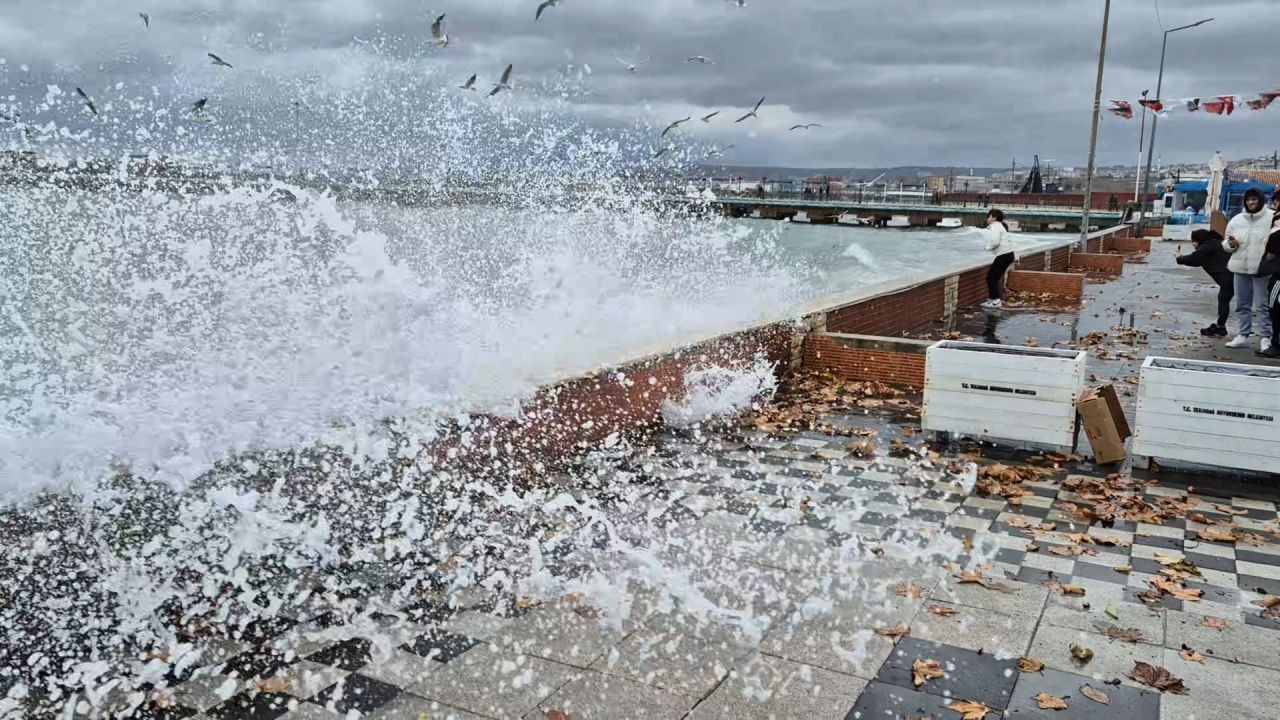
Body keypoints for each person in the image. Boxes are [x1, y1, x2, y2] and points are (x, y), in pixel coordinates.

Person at [1224, 188, 1275, 351]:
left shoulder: (1272, 218)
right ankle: (1243, 335)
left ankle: (1266, 337)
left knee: (1262, 305)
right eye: (1248, 200)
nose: (1251, 202)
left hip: (1262, 268)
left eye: (1254, 199)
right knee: (1242, 303)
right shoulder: (1237, 220)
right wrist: (1229, 245)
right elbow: (1225, 241)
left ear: (1261, 200)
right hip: (1240, 267)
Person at [1175, 229, 1233, 337]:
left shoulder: (1207, 247)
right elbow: (1198, 261)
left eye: (1193, 241)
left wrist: (1179, 257)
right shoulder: (1213, 244)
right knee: (1224, 300)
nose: (1192, 244)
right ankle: (1220, 327)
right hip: (1229, 279)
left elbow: (1193, 258)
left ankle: (1221, 327)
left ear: (1198, 240)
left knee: (1233, 303)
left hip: (1228, 279)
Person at [980, 209, 1014, 309]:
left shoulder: (995, 226)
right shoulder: (999, 226)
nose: (988, 218)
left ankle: (996, 301)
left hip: (1004, 255)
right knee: (993, 277)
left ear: (994, 217)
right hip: (1007, 254)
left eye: (989, 216)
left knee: (991, 278)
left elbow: (995, 241)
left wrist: (987, 247)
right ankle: (992, 299)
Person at [1259, 216, 1280, 358]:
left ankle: (1276, 344)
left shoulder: (1276, 236)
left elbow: (1270, 257)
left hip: (1278, 279)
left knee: (1275, 310)